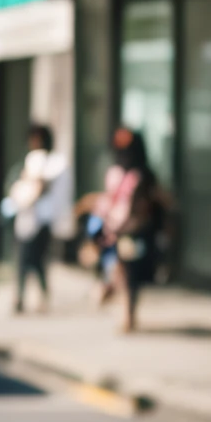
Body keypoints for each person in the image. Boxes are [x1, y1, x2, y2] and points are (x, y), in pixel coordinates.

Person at [81, 126, 161, 334]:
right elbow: (110, 200)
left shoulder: (143, 177)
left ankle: (128, 315)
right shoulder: (116, 174)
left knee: (129, 273)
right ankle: (125, 312)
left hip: (135, 231)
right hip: (116, 229)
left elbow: (146, 207)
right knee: (120, 271)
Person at [1, 122, 69, 313]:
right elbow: (15, 185)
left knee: (37, 260)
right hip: (25, 218)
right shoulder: (29, 161)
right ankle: (20, 297)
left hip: (43, 220)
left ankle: (42, 296)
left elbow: (52, 188)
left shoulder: (55, 163)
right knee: (23, 260)